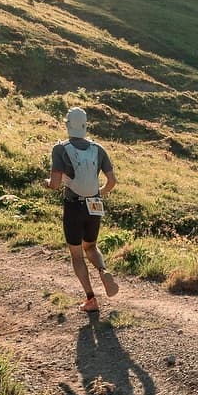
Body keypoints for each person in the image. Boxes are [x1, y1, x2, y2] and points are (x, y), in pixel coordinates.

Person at [48, 107, 119, 313]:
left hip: (74, 206)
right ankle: (103, 271)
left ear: (68, 124)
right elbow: (112, 181)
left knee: (77, 255)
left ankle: (90, 299)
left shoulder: (60, 149)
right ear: (85, 125)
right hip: (94, 204)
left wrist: (47, 183)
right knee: (91, 247)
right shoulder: (99, 149)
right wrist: (97, 194)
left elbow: (55, 184)